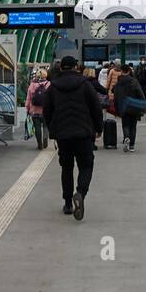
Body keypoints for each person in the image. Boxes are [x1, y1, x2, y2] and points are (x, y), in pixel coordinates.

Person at [44, 56, 103, 220]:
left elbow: (47, 111)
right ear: (77, 67)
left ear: (61, 68)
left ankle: (68, 204)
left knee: (67, 168)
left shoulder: (53, 87)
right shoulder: (85, 85)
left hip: (63, 135)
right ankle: (81, 193)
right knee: (86, 165)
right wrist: (98, 128)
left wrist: (52, 130)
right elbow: (96, 107)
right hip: (83, 133)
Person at [112, 62, 146, 153]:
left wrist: (116, 109)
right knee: (133, 126)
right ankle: (132, 146)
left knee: (125, 125)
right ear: (129, 71)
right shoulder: (134, 81)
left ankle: (126, 137)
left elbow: (115, 97)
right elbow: (141, 94)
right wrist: (143, 106)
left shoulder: (119, 83)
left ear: (121, 71)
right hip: (134, 106)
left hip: (123, 107)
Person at [25, 68, 51, 149]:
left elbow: (28, 98)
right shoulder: (48, 84)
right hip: (46, 110)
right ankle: (45, 137)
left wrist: (27, 108)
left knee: (37, 127)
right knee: (46, 126)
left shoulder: (32, 85)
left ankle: (39, 144)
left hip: (34, 110)